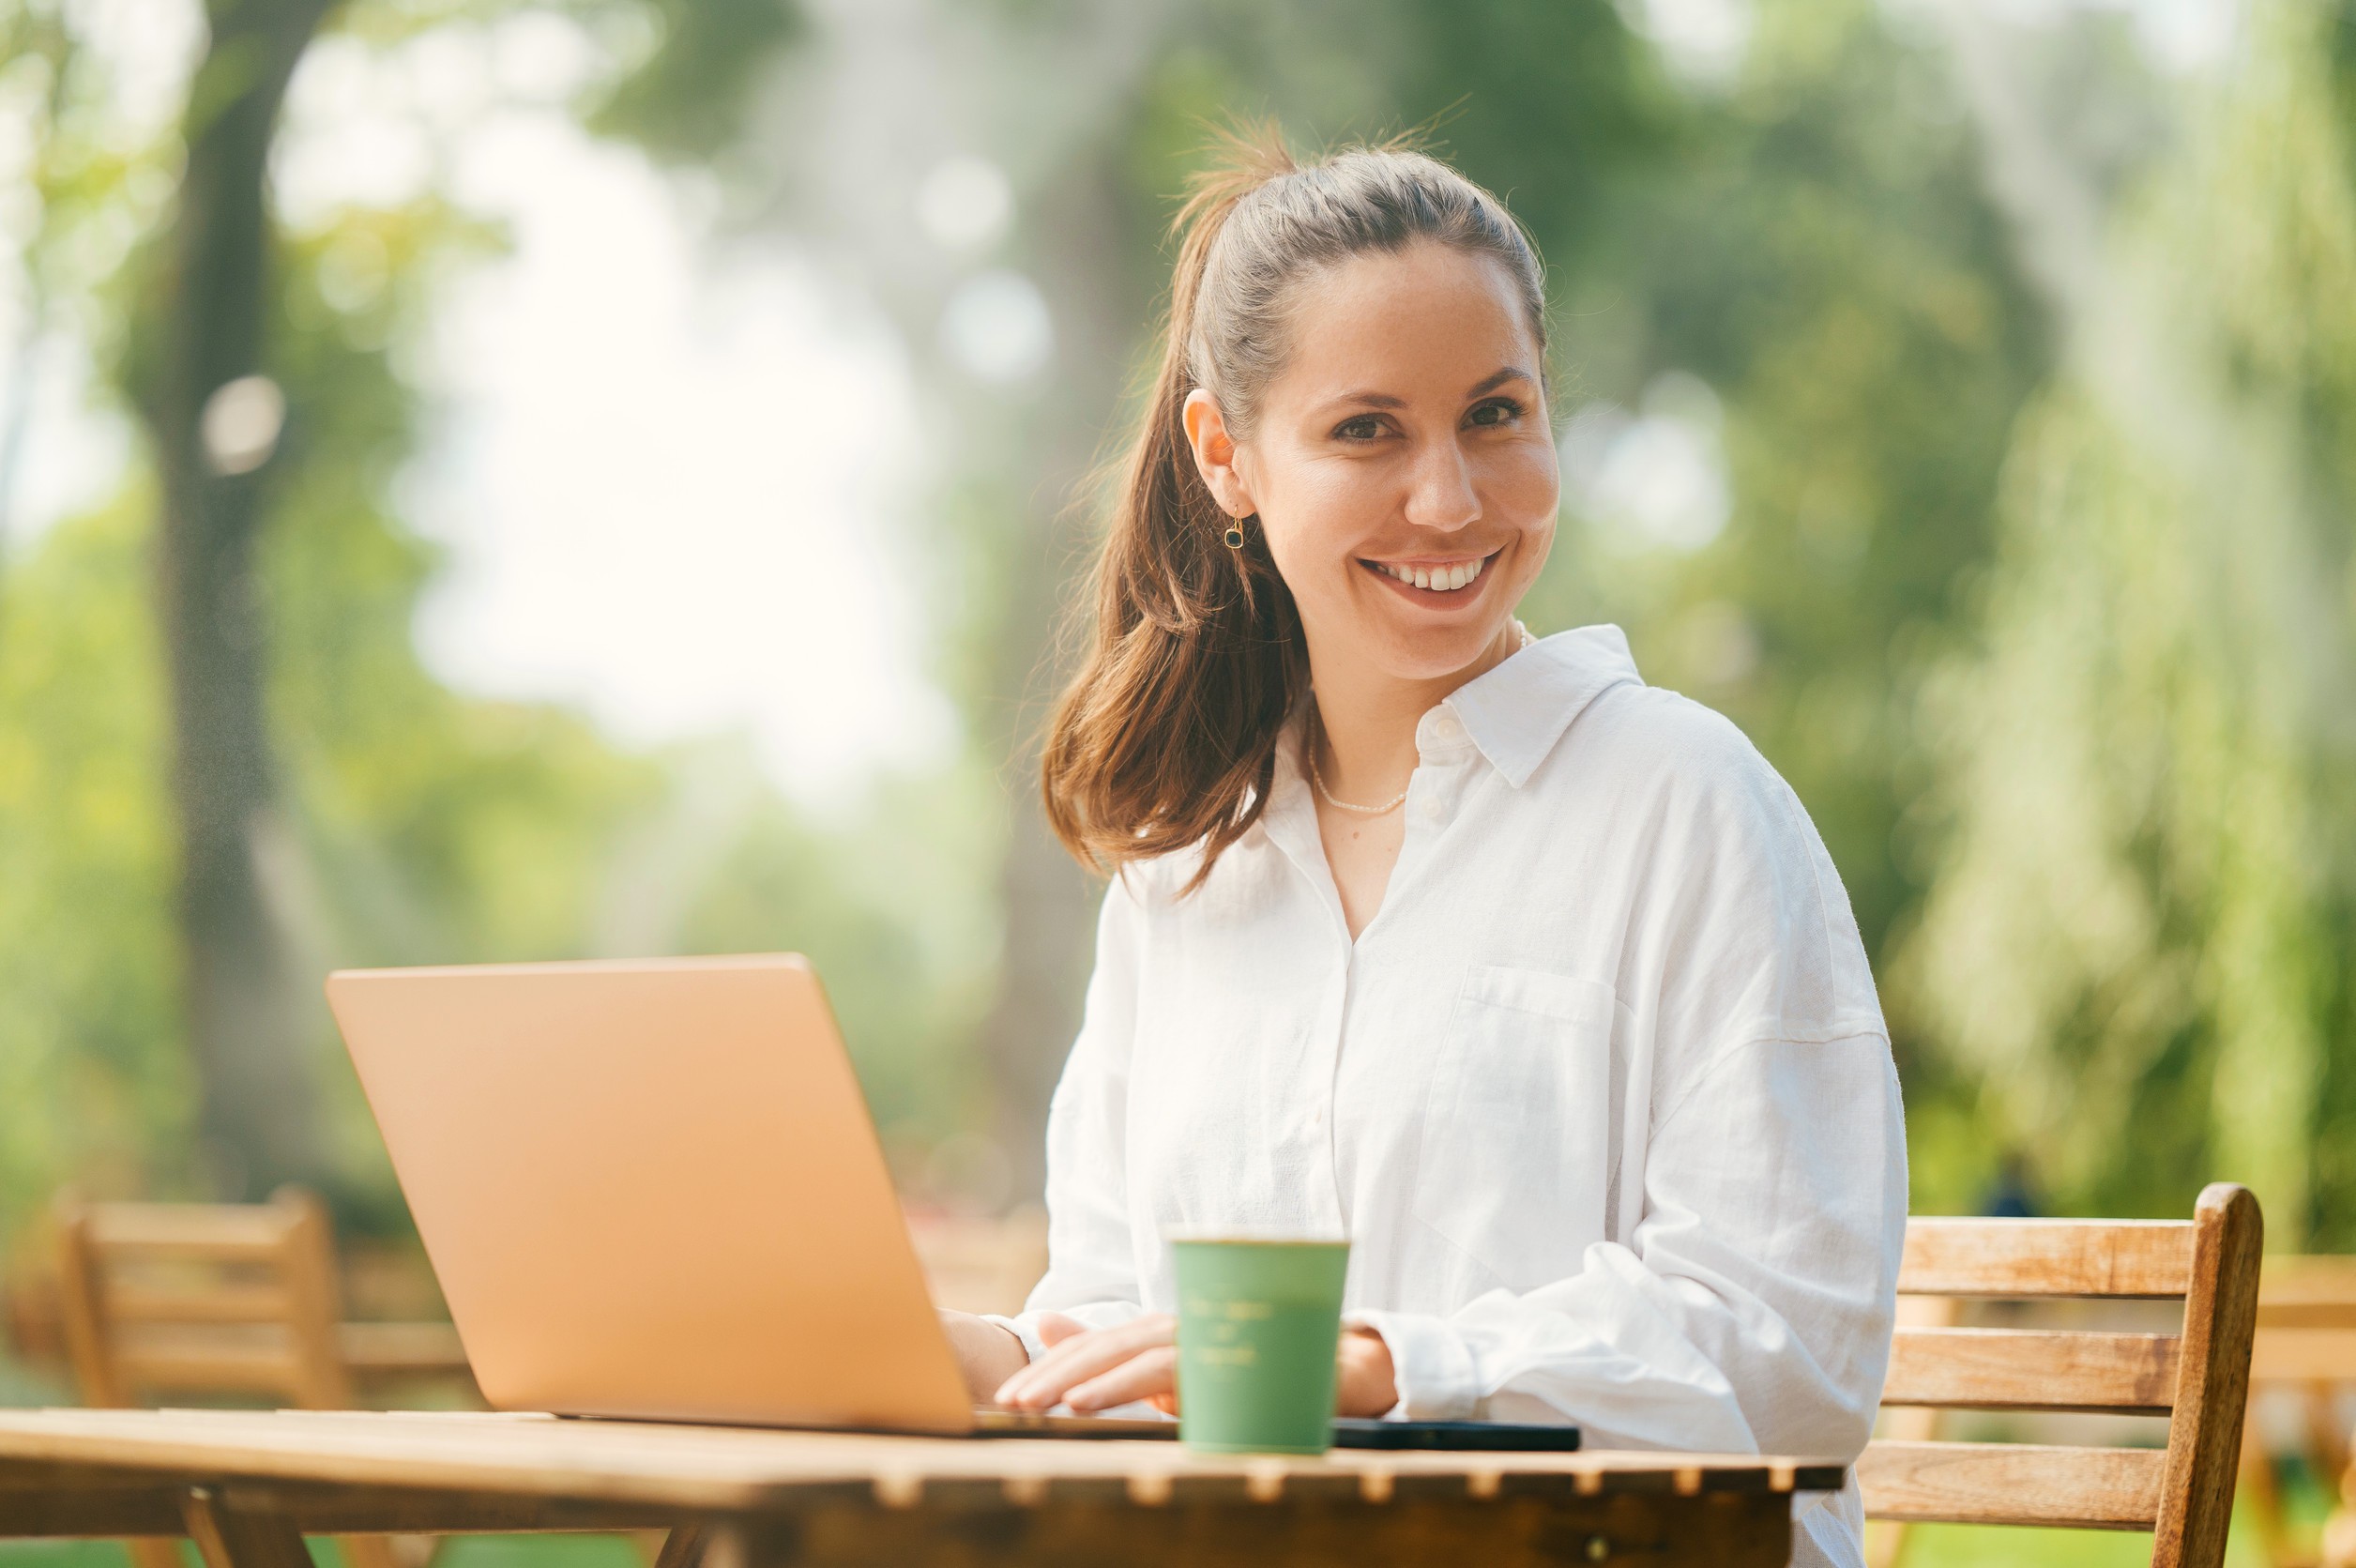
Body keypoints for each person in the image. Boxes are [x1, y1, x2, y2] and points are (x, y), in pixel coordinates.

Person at [936, 131, 1906, 1568]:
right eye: (1368, 431)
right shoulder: (1184, 869)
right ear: (1226, 459)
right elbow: (1128, 1310)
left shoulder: (1690, 805)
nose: (1450, 500)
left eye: (1495, 415)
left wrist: (1387, 1365)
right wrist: (996, 1355)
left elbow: (1785, 1345)